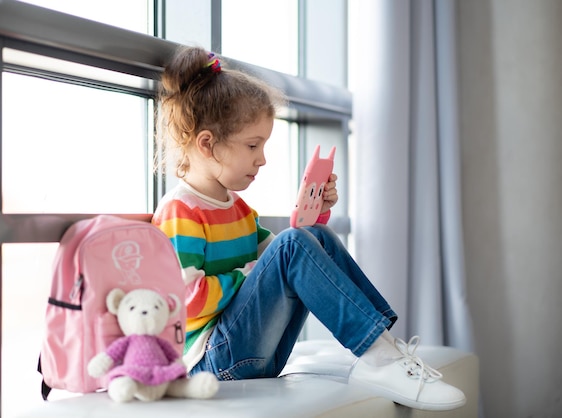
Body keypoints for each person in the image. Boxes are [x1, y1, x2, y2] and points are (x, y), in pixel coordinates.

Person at [151, 46, 466, 411]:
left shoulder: (236, 208)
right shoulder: (182, 210)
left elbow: (284, 260)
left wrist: (313, 216)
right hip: (210, 364)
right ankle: (379, 358)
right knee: (291, 245)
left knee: (312, 236)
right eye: (253, 145)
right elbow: (185, 302)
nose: (262, 159)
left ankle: (383, 349)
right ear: (207, 144)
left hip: (249, 351)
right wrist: (251, 273)